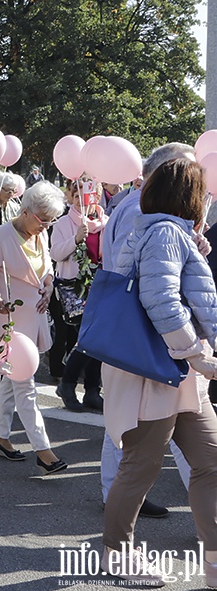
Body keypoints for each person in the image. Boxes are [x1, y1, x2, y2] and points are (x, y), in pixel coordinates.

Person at [99, 158, 217, 587]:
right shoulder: (166, 233)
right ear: (189, 195)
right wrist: (194, 354)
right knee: (141, 465)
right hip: (159, 368)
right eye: (202, 191)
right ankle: (117, 555)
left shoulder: (166, 232)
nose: (207, 198)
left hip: (173, 368)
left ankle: (216, 563)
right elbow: (162, 300)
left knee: (209, 460)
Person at [98, 143, 196, 518]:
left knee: (127, 418)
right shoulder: (144, 211)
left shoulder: (139, 207)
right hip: (144, 332)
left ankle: (116, 494)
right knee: (130, 421)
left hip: (141, 331)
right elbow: (143, 282)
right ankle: (116, 497)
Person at [0, 181, 68, 475]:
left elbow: (47, 267)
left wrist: (48, 284)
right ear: (26, 211)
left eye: (51, 220)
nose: (46, 226)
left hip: (34, 318)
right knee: (25, 385)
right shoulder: (3, 235)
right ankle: (43, 450)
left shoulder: (40, 234)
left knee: (11, 381)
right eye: (43, 220)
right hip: (9, 321)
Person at [49, 178, 106, 411]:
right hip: (74, 287)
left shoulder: (106, 222)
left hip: (101, 286)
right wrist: (75, 239)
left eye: (90, 195)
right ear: (71, 197)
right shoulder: (64, 223)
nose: (84, 200)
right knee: (88, 336)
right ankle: (68, 383)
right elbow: (55, 253)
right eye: (78, 194)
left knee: (99, 338)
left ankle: (93, 390)